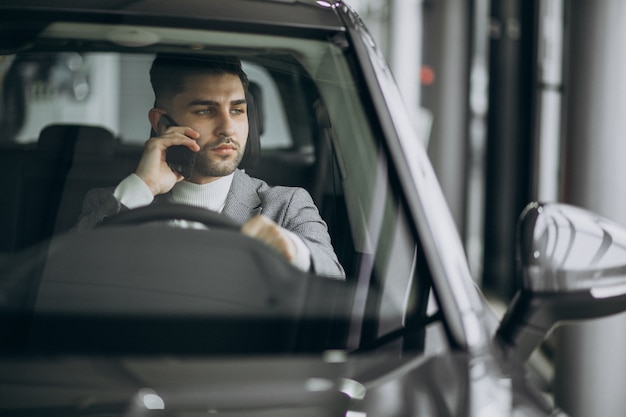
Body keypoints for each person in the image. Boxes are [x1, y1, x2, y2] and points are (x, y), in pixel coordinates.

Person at [76, 54, 345, 279]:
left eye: (237, 110)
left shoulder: (286, 205)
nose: (228, 128)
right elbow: (72, 276)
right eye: (206, 111)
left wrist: (291, 251)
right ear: (162, 124)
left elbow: (333, 280)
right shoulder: (113, 202)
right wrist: (142, 187)